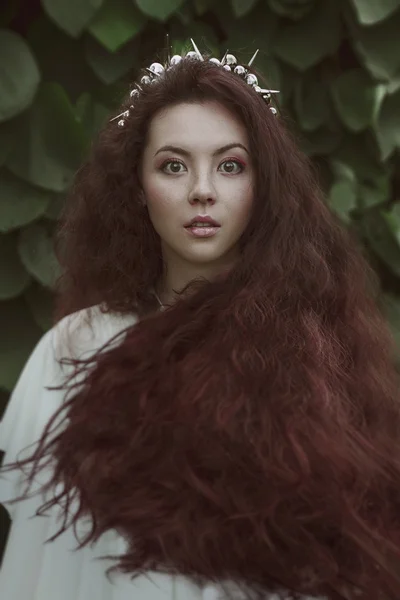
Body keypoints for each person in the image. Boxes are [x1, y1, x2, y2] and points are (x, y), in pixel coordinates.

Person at [1, 40, 400, 600]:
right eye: (173, 166)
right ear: (138, 189)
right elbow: (44, 553)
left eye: (231, 165)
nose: (203, 191)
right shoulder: (78, 346)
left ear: (263, 187)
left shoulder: (315, 351)